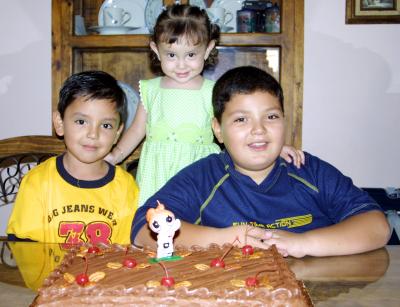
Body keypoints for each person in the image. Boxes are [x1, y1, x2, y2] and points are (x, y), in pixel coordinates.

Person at [131, 66, 390, 258]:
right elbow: (143, 228)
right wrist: (225, 238)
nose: (258, 130)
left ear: (285, 121)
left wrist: (304, 243)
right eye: (241, 119)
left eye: (271, 117)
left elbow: (377, 225)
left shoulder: (308, 170)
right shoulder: (203, 177)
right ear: (218, 129)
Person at [105, 4, 303, 207]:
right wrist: (115, 155)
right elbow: (137, 130)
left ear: (208, 49)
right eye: (172, 55)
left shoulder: (213, 91)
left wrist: (272, 148)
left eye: (191, 55)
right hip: (157, 173)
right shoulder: (150, 90)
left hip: (201, 172)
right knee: (157, 224)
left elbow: (235, 130)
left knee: (199, 223)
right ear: (156, 50)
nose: (181, 64)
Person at [7, 71, 139, 244]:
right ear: (60, 123)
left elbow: (125, 252)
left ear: (117, 133)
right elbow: (25, 250)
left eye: (106, 125)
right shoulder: (37, 182)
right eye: (81, 122)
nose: (93, 134)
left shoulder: (125, 187)